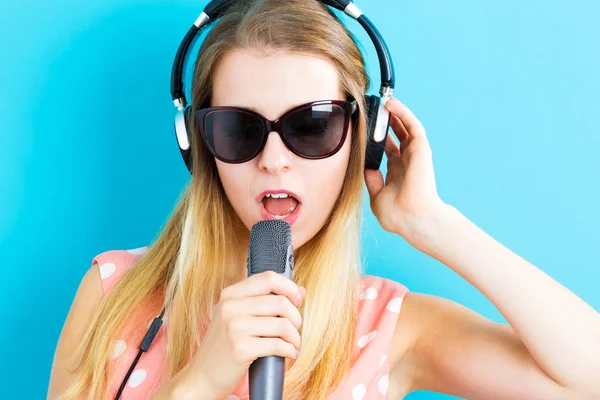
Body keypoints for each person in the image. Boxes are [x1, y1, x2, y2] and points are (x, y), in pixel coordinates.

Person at [47, 0, 600, 399]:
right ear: (199, 145)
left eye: (312, 127)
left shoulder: (389, 326)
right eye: (240, 130)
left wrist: (432, 223)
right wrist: (198, 383)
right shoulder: (114, 293)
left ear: (363, 142)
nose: (274, 160)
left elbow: (587, 377)